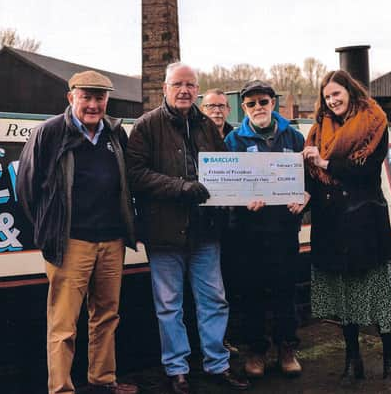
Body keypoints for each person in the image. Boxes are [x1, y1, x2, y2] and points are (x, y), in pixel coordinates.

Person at [126, 62, 250, 394]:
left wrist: (245, 192)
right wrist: (181, 187)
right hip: (164, 232)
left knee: (213, 299)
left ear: (197, 90)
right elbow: (135, 174)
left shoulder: (208, 127)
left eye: (190, 85)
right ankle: (177, 368)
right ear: (165, 88)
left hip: (205, 231)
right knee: (169, 303)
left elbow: (226, 169)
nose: (184, 90)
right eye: (178, 84)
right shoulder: (145, 127)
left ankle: (216, 364)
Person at [17, 70, 140, 394]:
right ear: (71, 97)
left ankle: (103, 381)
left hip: (112, 242)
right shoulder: (50, 132)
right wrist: (51, 230)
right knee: (63, 325)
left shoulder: (115, 133)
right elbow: (27, 189)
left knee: (106, 316)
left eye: (100, 98)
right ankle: (61, 389)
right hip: (70, 244)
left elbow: (127, 183)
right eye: (86, 97)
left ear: (107, 101)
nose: (93, 104)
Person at [301, 70, 391, 383]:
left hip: (364, 220)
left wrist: (325, 163)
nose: (332, 102)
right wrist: (303, 194)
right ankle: (352, 359)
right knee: (344, 297)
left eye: (336, 94)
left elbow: (367, 171)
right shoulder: (318, 130)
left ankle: (390, 359)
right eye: (327, 97)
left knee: (379, 294)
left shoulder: (375, 123)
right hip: (332, 222)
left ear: (350, 91)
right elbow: (312, 177)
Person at [224, 80, 309, 379]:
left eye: (263, 101)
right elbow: (226, 188)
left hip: (285, 231)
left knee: (286, 291)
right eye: (251, 104)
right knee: (252, 294)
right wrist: (242, 199)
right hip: (248, 234)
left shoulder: (295, 137)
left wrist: (304, 198)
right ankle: (256, 351)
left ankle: (287, 347)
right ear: (243, 108)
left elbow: (307, 182)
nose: (258, 107)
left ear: (273, 103)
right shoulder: (233, 141)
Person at [200, 88, 240, 355]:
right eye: (210, 106)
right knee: (212, 289)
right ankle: (217, 342)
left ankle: (232, 336)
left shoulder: (237, 137)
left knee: (235, 283)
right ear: (202, 109)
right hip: (207, 226)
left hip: (238, 225)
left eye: (221, 106)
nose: (216, 110)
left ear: (228, 110)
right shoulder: (196, 134)